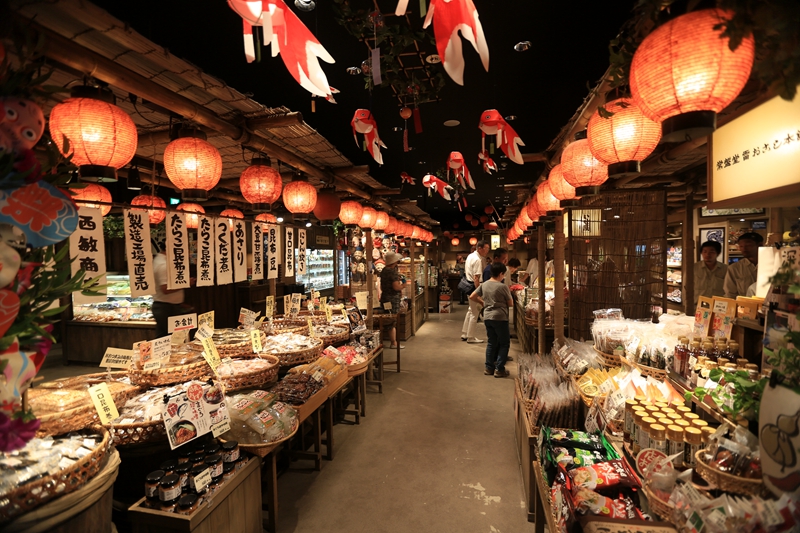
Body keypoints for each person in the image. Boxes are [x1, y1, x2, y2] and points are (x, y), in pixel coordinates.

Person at [470, 262, 513, 378]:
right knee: (504, 343)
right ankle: (499, 369)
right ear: (500, 274)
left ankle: (489, 368)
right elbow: (510, 303)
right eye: (503, 274)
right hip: (500, 317)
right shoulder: (502, 286)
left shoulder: (484, 285)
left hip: (488, 317)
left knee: (491, 342)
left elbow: (472, 296)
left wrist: (483, 303)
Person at [152, 243, 193, 338]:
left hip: (167, 306)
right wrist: (186, 283)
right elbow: (165, 289)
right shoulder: (163, 265)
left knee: (164, 338)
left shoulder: (160, 260)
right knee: (174, 339)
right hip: (166, 308)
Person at [461, 240, 490, 343]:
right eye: (486, 248)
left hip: (468, 286)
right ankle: (471, 337)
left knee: (470, 310)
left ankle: (465, 333)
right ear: (480, 248)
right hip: (474, 287)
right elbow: (476, 278)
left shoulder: (470, 256)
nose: (487, 251)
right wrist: (479, 292)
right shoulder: (477, 259)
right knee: (475, 313)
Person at [724, 232, 763, 299]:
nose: (744, 249)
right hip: (744, 307)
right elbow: (730, 294)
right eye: (741, 246)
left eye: (748, 246)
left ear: (760, 245)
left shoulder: (771, 265)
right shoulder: (734, 268)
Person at [379, 252, 405, 349]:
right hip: (393, 299)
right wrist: (403, 286)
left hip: (385, 298)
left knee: (386, 318)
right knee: (392, 320)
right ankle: (394, 343)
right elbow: (396, 287)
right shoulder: (392, 272)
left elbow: (381, 286)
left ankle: (383, 341)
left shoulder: (384, 271)